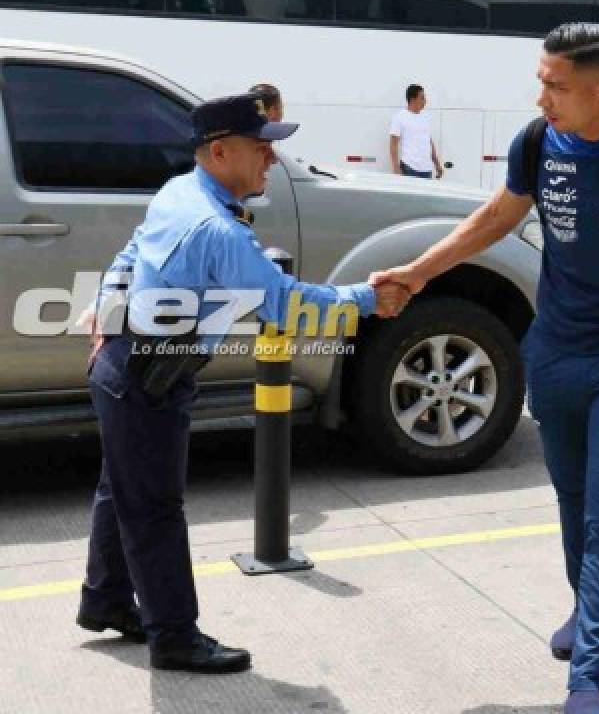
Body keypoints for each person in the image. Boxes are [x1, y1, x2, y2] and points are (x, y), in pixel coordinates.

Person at [370, 23, 599, 714]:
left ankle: (588, 682)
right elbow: (492, 219)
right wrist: (418, 273)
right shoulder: (538, 142)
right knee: (573, 503)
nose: (541, 95)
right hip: (557, 355)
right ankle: (585, 609)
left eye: (555, 85)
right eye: (541, 80)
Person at [77, 94, 409, 674]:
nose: (273, 160)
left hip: (126, 368)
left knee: (123, 490)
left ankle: (105, 601)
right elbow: (287, 306)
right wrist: (366, 299)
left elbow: (129, 252)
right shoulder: (217, 229)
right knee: (153, 507)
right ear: (220, 150)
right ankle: (174, 637)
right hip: (146, 374)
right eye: (262, 148)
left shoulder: (177, 190)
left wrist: (103, 314)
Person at [389, 84, 443, 179]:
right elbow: (393, 144)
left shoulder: (425, 117)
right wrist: (396, 169)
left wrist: (437, 164)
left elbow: (429, 142)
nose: (425, 101)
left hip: (426, 170)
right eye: (422, 98)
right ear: (412, 99)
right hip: (409, 168)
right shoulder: (400, 117)